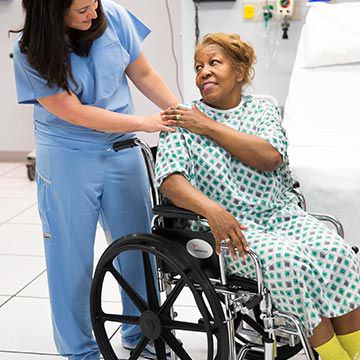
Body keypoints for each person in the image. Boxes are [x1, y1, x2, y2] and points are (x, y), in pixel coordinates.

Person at [156, 33, 360, 360]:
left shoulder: (262, 108)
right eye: (198, 67)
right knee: (292, 264)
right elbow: (170, 180)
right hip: (230, 229)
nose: (203, 72)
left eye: (214, 63)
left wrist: (207, 126)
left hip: (280, 216)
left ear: (239, 71)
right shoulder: (182, 120)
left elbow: (269, 157)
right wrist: (212, 210)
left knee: (337, 254)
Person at [12, 0, 178, 359]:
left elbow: (144, 74)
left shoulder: (112, 15)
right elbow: (74, 112)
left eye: (95, 3)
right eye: (82, 9)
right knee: (70, 257)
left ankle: (142, 332)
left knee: (138, 248)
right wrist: (145, 123)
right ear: (52, 12)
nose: (94, 13)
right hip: (68, 156)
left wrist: (179, 113)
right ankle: (80, 350)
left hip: (121, 151)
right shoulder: (30, 50)